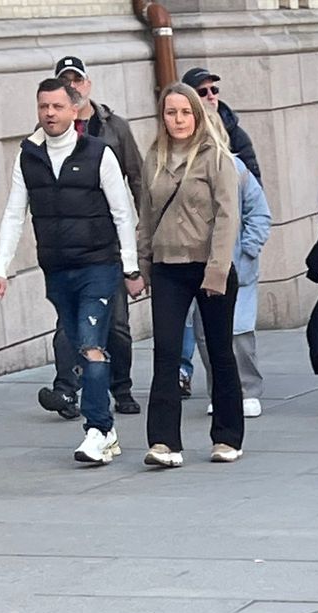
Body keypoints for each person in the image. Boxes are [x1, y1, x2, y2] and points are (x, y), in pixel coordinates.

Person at [0, 73, 142, 467]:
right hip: (57, 269)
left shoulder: (98, 153)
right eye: (44, 106)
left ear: (75, 110)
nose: (50, 113)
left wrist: (129, 266)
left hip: (99, 265)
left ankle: (97, 429)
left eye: (57, 106)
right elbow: (14, 214)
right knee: (78, 344)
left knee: (91, 345)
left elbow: (122, 212)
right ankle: (106, 431)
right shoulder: (29, 156)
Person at [137, 82, 241, 467]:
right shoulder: (155, 157)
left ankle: (227, 437)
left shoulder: (216, 156)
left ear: (197, 115)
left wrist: (217, 269)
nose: (178, 120)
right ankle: (164, 442)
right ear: (162, 117)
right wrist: (142, 266)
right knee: (166, 353)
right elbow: (146, 216)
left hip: (210, 266)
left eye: (185, 112)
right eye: (171, 112)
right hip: (168, 267)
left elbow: (228, 217)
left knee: (219, 351)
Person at [45, 55, 143, 421]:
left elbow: (137, 178)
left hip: (108, 245)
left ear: (87, 85)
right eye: (64, 81)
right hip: (67, 248)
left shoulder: (114, 128)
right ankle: (65, 391)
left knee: (116, 323)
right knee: (67, 325)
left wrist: (142, 235)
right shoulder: (47, 134)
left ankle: (122, 388)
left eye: (77, 80)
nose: (72, 87)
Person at [194, 155, 269, 415]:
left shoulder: (235, 168)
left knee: (240, 332)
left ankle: (248, 390)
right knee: (206, 335)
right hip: (198, 264)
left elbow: (258, 211)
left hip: (236, 263)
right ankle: (220, 391)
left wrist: (249, 248)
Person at [181, 67, 262, 181]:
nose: (211, 96)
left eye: (214, 90)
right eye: (202, 92)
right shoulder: (180, 132)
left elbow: (253, 181)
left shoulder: (235, 134)